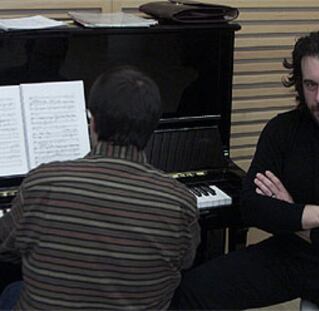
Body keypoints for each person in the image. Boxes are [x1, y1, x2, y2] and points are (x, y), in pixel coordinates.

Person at [170, 26, 319, 310]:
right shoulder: (282, 129)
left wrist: (291, 214)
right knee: (191, 291)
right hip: (287, 256)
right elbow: (251, 207)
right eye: (311, 85)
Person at [0, 66, 200, 310]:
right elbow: (186, 260)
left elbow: (6, 246)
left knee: (11, 289)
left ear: (92, 122)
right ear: (153, 126)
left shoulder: (43, 181)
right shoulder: (180, 200)